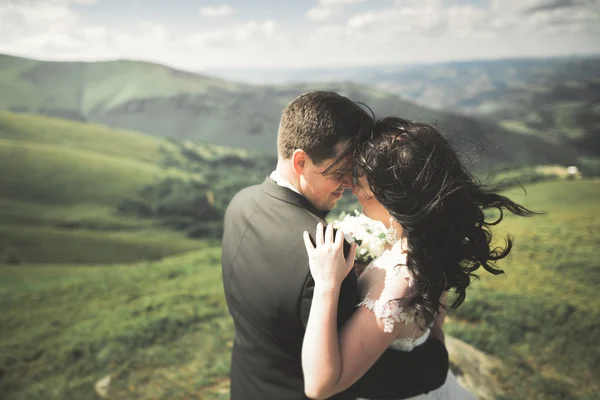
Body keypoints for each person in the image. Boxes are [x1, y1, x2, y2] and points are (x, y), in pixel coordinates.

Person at [222, 94, 449, 400]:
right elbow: (355, 373)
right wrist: (433, 363)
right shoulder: (326, 254)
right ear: (302, 161)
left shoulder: (241, 203)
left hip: (248, 385)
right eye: (341, 171)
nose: (350, 184)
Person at [301, 117, 537, 399]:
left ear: (392, 191)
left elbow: (319, 386)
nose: (351, 184)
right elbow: (435, 330)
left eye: (361, 175)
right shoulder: (426, 245)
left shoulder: (397, 283)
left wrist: (327, 283)